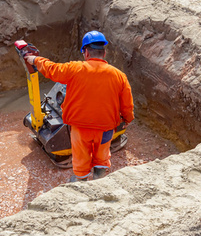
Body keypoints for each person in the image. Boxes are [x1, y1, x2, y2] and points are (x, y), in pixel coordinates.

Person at [23, 31, 135, 182]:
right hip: (106, 128)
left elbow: (51, 69)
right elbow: (127, 105)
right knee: (102, 155)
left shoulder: (74, 69)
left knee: (81, 158)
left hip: (80, 128)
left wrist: (33, 58)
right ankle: (99, 179)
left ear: (86, 52)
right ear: (104, 52)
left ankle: (81, 181)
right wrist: (127, 119)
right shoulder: (119, 75)